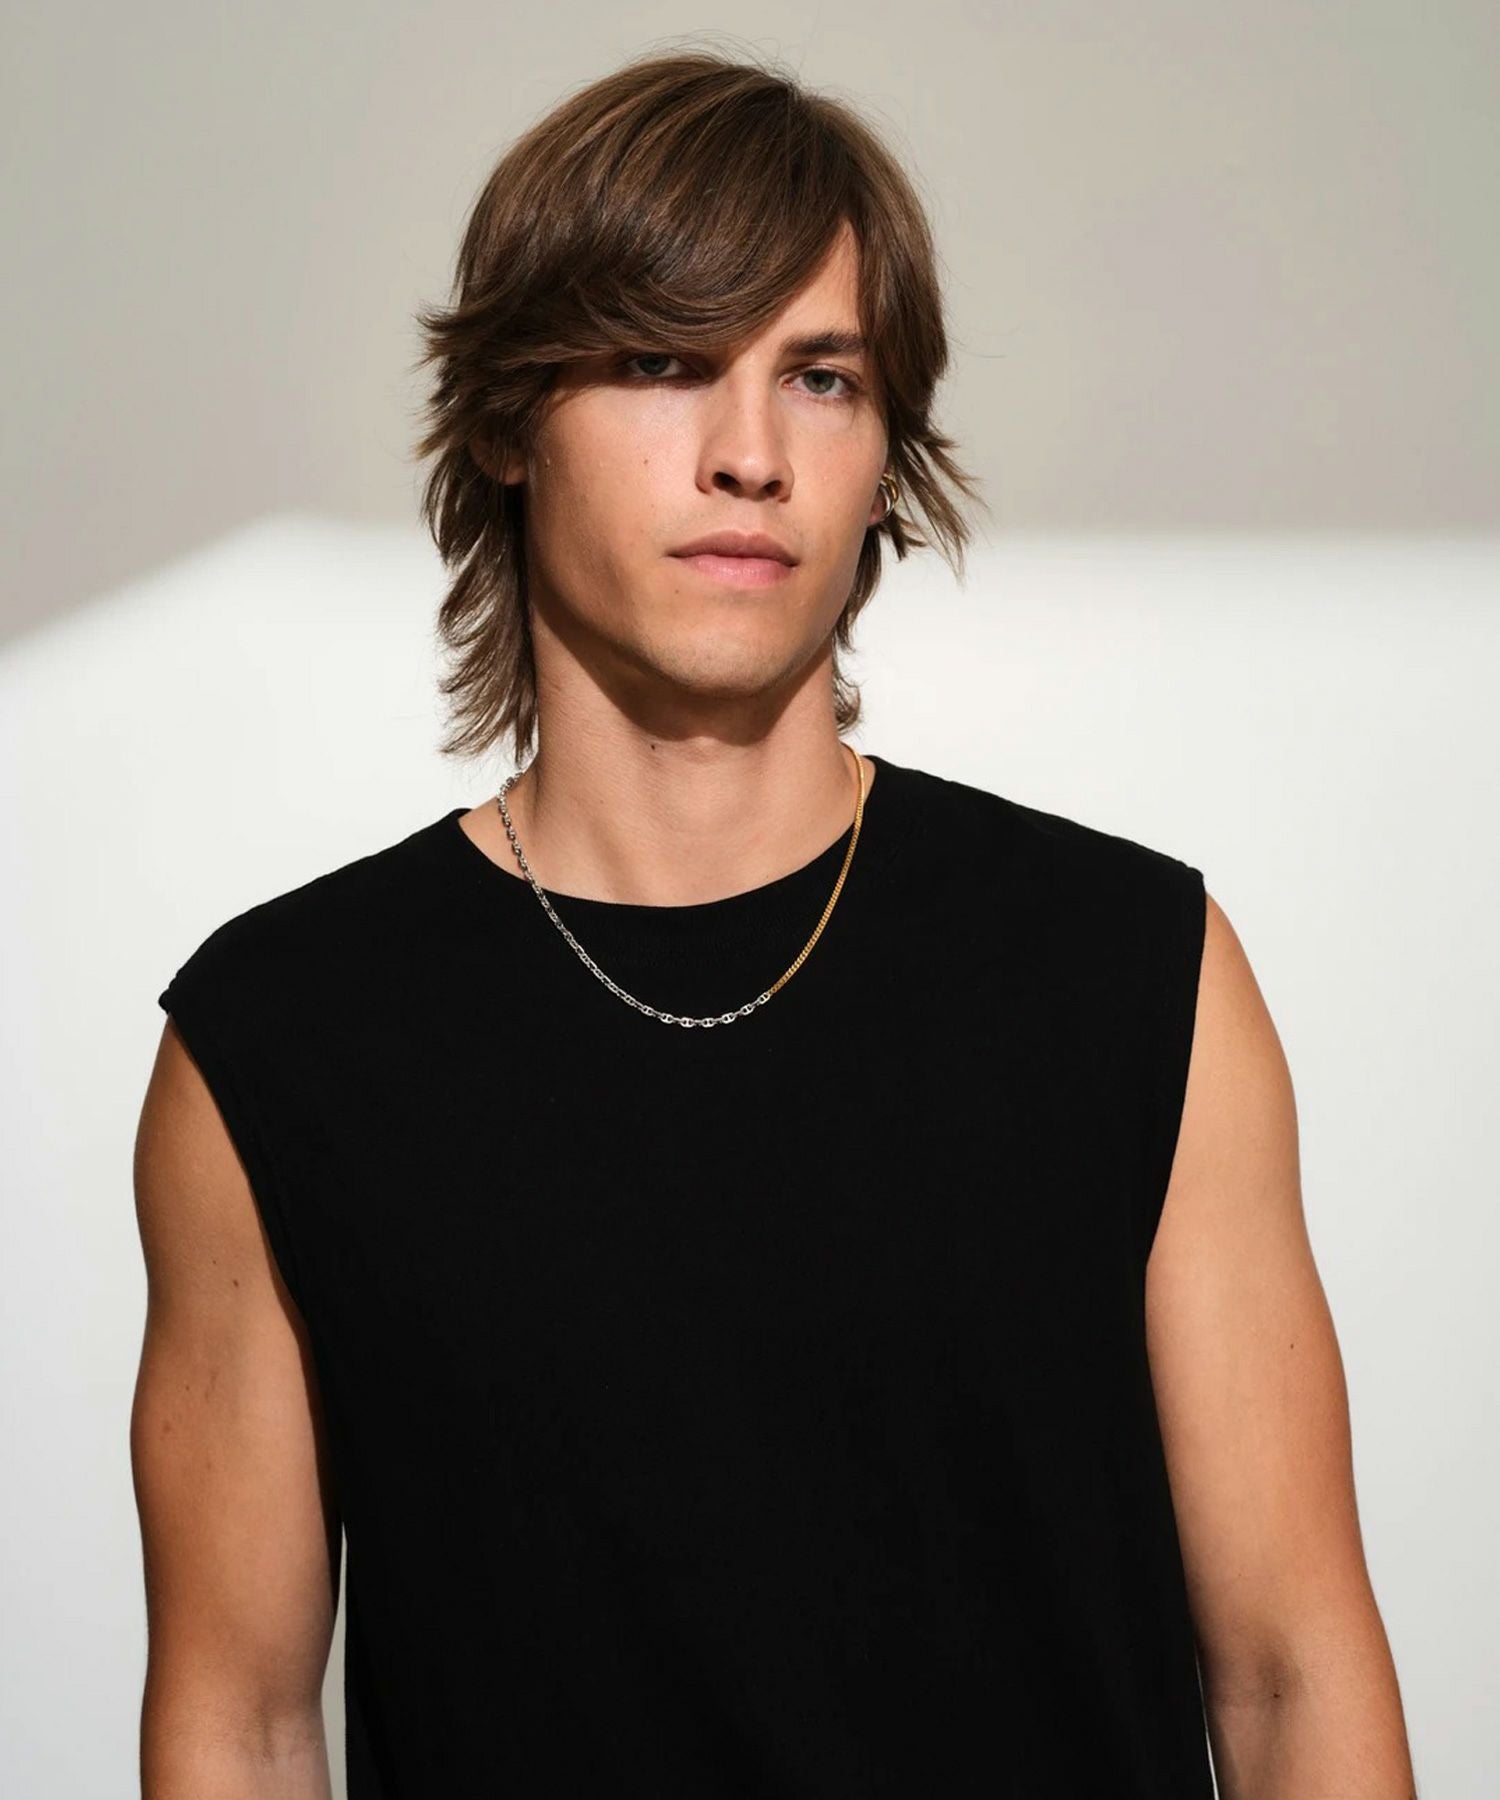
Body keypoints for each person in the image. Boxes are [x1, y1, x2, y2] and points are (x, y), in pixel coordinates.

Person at [130, 46, 1416, 1800]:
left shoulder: (1133, 975)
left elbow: (1290, 1675)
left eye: (820, 377)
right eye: (662, 362)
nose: (751, 457)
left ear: (885, 455)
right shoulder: (282, 1044)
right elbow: (242, 1721)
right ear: (505, 420)